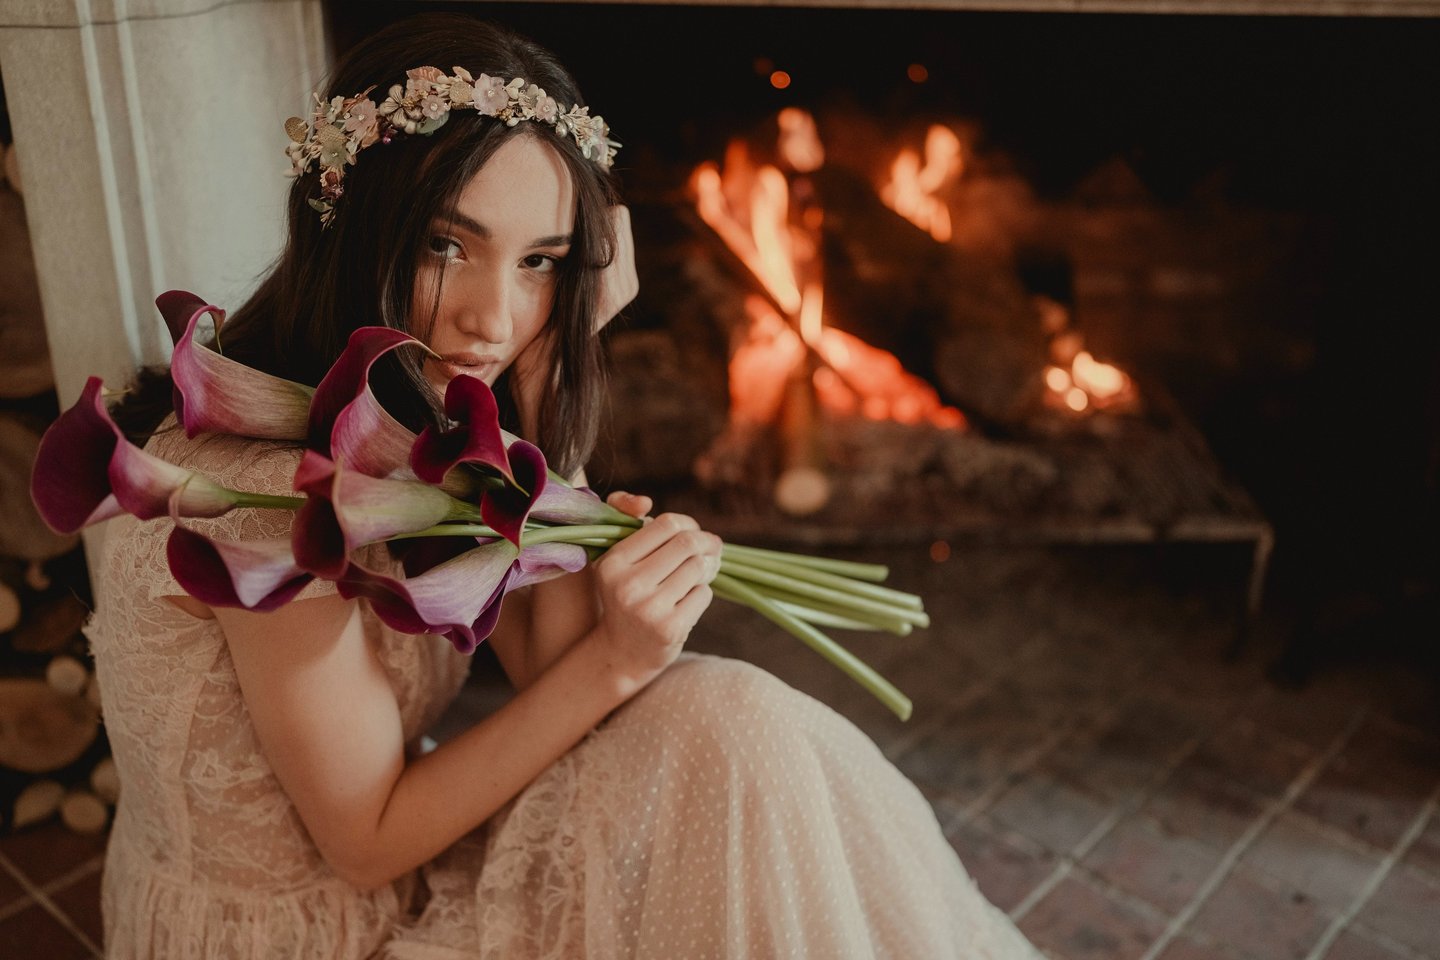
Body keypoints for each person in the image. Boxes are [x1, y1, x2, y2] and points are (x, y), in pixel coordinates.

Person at [85, 13, 1040, 959]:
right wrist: (622, 660)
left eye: (540, 262)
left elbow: (545, 662)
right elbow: (368, 844)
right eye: (444, 246)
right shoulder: (257, 492)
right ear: (348, 226)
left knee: (740, 729)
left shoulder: (408, 407)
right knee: (734, 732)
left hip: (403, 858)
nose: (494, 318)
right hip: (324, 931)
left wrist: (549, 371)